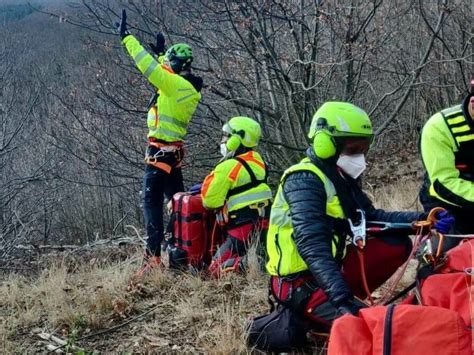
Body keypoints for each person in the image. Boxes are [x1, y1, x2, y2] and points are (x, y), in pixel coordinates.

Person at [265, 102, 454, 329]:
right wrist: (343, 301)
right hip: (299, 283)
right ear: (325, 144)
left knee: (396, 244)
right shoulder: (303, 180)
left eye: (364, 149)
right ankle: (316, 317)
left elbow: (371, 217)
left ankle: (337, 308)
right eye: (354, 149)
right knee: (369, 329)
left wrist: (424, 220)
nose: (360, 157)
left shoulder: (339, 177)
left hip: (330, 272)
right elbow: (312, 245)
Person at [116, 10, 203, 276]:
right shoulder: (187, 85)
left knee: (151, 202)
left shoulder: (173, 85)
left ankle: (152, 256)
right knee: (176, 201)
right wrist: (163, 52)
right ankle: (177, 250)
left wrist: (126, 38)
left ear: (176, 67)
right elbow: (167, 68)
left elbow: (148, 67)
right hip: (171, 153)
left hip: (160, 153)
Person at [200, 116, 273, 277]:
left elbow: (210, 200)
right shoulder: (260, 162)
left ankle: (248, 265)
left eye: (226, 136)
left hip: (243, 226)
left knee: (215, 270)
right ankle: (256, 262)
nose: (223, 140)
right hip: (265, 223)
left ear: (237, 139)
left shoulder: (229, 166)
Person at [419, 78, 474, 250]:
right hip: (446, 202)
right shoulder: (440, 128)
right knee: (445, 255)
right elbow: (443, 183)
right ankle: (427, 260)